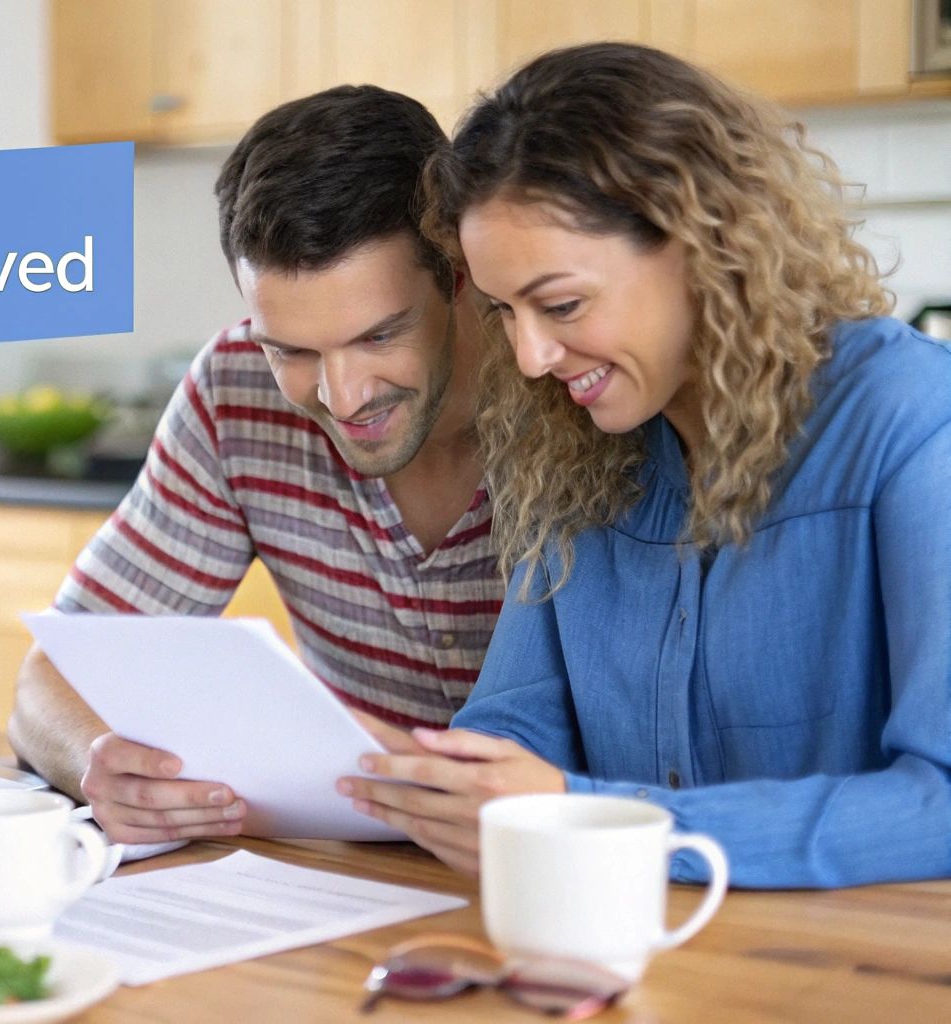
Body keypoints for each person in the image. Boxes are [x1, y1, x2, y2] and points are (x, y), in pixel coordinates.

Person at [344, 41, 951, 889]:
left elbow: (941, 801)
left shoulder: (913, 423)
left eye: (561, 305)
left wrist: (594, 825)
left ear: (704, 240)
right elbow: (516, 729)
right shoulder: (575, 447)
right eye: (504, 311)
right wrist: (435, 784)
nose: (529, 356)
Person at [8, 85, 502, 845]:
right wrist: (95, 763)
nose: (343, 398)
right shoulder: (235, 387)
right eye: (293, 350)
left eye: (378, 336)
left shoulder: (563, 390)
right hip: (352, 869)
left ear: (457, 274)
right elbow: (48, 680)